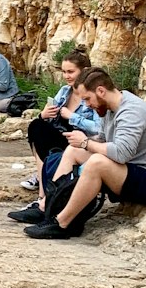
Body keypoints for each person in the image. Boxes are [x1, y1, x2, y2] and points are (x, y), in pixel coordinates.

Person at [24, 67, 146, 239]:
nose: (87, 105)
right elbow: (103, 140)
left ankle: (63, 223)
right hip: (131, 169)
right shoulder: (108, 108)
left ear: (101, 91)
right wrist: (81, 143)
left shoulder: (131, 111)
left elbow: (121, 153)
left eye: (87, 99)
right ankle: (47, 207)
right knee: (74, 151)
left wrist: (86, 142)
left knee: (97, 163)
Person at [8, 49, 100, 221]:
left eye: (71, 71)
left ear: (84, 71)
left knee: (41, 132)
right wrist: (45, 114)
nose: (67, 76)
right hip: (61, 135)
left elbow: (99, 128)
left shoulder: (91, 95)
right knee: (37, 125)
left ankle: (43, 197)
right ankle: (42, 194)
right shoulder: (65, 92)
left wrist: (74, 117)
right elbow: (48, 118)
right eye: (64, 71)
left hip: (80, 142)